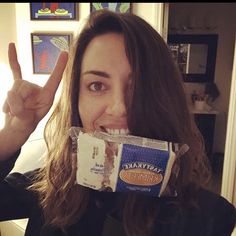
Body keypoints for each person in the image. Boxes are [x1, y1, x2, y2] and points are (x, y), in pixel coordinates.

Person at [0, 9, 235, 236]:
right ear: (76, 100)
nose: (120, 107)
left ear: (166, 96)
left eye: (139, 86)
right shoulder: (47, 188)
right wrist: (10, 137)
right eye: (97, 85)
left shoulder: (208, 217)